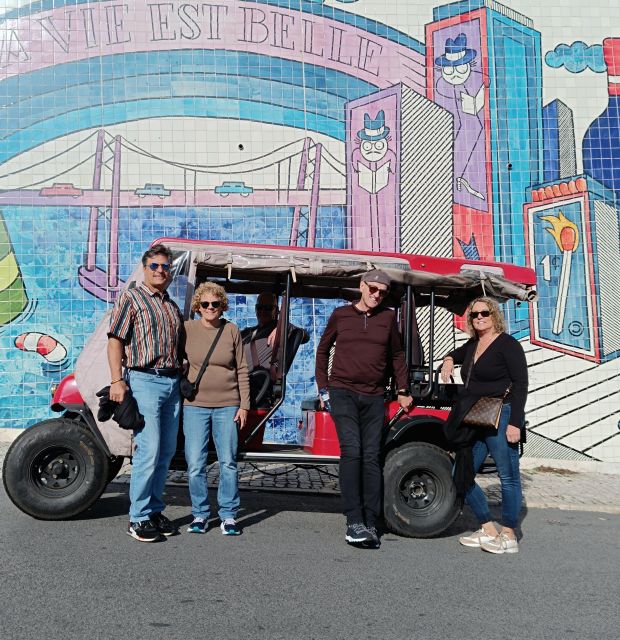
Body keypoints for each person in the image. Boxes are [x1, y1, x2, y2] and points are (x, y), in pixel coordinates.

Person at [315, 270, 413, 547]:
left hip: (374, 396)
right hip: (342, 392)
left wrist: (403, 389)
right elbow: (323, 350)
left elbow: (397, 354)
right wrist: (324, 389)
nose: (376, 295)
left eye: (382, 292)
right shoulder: (341, 315)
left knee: (371, 456)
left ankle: (370, 520)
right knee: (352, 451)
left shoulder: (388, 318)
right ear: (361, 286)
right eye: (372, 289)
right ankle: (353, 521)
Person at [107, 243, 183, 543]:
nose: (161, 271)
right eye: (155, 266)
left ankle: (152, 509)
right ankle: (137, 517)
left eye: (165, 267)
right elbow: (115, 340)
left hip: (172, 383)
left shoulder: (171, 305)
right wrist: (117, 380)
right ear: (145, 268)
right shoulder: (132, 298)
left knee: (164, 452)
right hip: (145, 380)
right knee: (148, 450)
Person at [441, 297, 528, 554]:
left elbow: (521, 384)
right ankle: (488, 528)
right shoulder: (473, 344)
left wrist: (515, 424)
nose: (479, 317)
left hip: (502, 415)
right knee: (462, 472)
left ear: (494, 315)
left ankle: (509, 535)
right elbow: (456, 354)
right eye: (474, 314)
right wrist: (448, 359)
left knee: (508, 476)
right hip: (476, 417)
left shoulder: (508, 345)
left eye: (484, 313)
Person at [183, 282, 250, 536]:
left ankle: (229, 515)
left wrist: (244, 404)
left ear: (222, 306)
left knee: (228, 462)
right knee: (195, 464)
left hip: (227, 405)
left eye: (215, 304)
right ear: (198, 306)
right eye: (205, 304)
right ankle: (200, 514)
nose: (210, 308)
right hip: (195, 406)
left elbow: (242, 368)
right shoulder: (187, 329)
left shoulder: (232, 330)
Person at [241, 292, 309, 405]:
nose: (263, 311)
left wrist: (283, 327)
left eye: (268, 308)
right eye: (260, 307)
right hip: (238, 379)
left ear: (276, 310)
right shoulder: (247, 333)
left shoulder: (281, 331)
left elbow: (303, 336)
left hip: (256, 383)